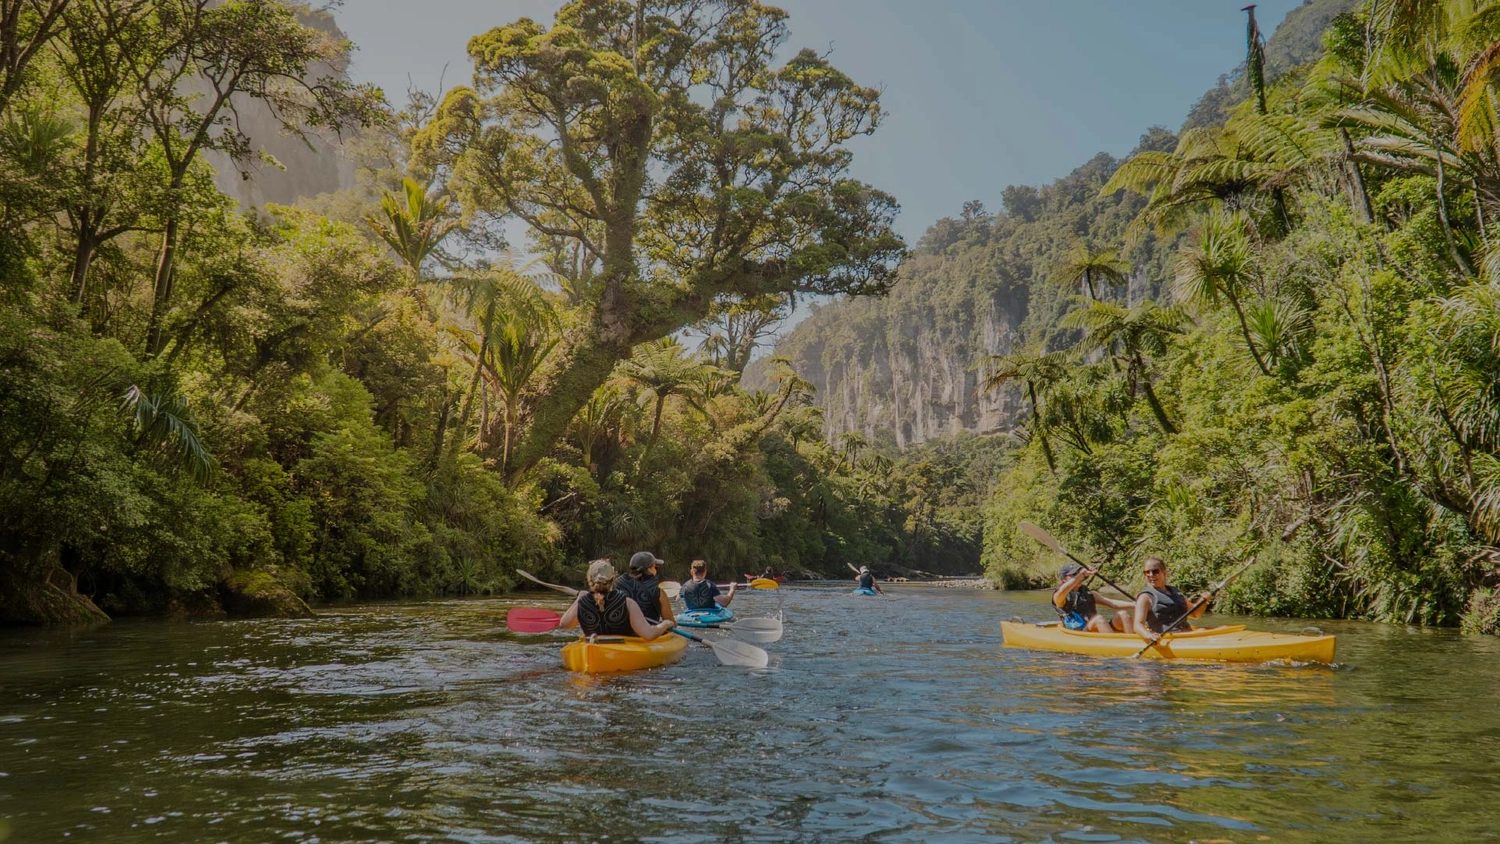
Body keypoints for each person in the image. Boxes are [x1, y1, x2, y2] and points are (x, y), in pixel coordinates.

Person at [560, 559, 676, 640]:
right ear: (613, 578)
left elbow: (565, 625)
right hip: (622, 649)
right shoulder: (627, 602)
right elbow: (649, 634)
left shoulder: (582, 601)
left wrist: (579, 598)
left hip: (593, 646)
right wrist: (665, 624)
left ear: (589, 578)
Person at [1133, 557, 1211, 645]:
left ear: (1164, 572)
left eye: (1155, 571)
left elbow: (1195, 614)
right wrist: (1149, 635)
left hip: (1185, 634)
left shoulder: (1175, 592)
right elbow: (1138, 625)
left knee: (1223, 627)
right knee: (1202, 631)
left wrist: (1203, 601)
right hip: (1167, 638)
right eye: (1147, 572)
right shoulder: (1145, 597)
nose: (1151, 575)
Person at [1053, 562, 1134, 632]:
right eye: (1074, 574)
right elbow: (1062, 591)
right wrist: (1082, 574)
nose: (1078, 577)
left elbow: (1112, 603)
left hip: (1095, 627)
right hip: (1081, 632)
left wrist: (1134, 605)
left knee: (1123, 614)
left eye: (1078, 573)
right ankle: (1112, 645)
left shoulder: (1088, 593)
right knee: (1099, 619)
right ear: (1064, 579)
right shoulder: (1060, 597)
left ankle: (1132, 641)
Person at [614, 551, 673, 623]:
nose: (656, 570)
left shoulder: (616, 585)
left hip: (622, 631)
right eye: (655, 567)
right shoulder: (659, 593)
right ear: (649, 569)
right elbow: (671, 623)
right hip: (650, 631)